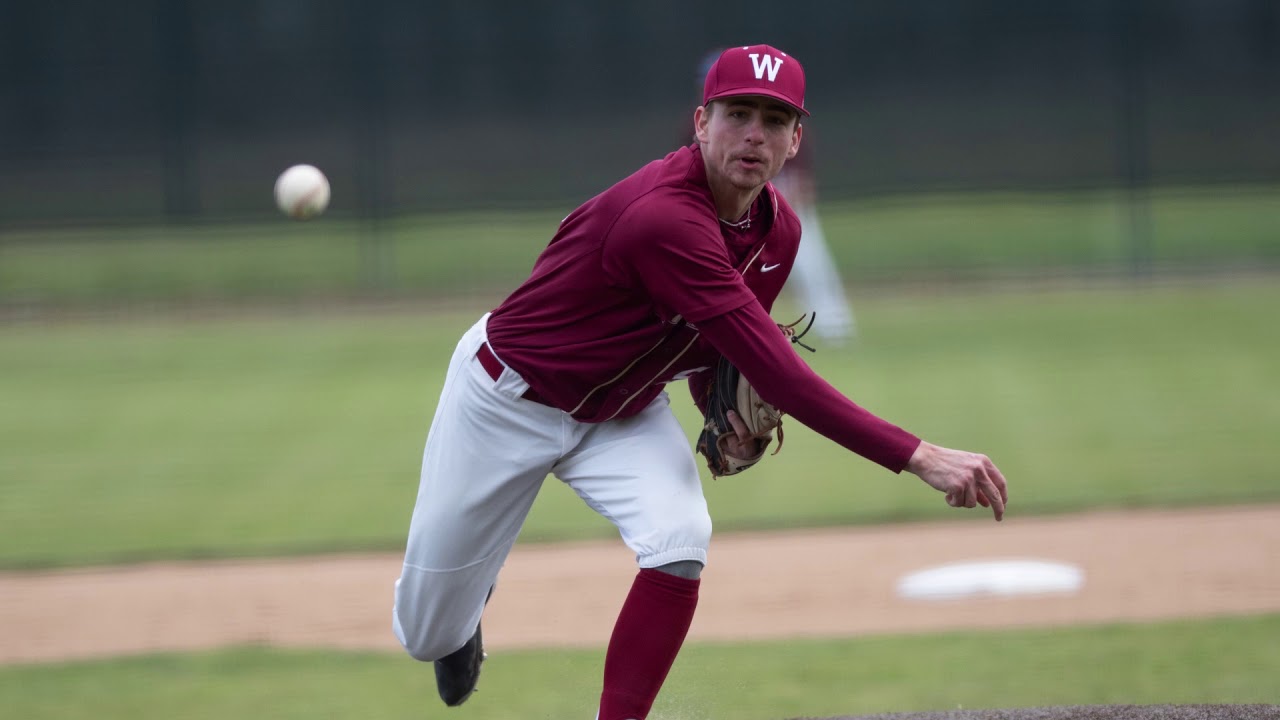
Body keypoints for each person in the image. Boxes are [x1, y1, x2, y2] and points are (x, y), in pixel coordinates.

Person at [392, 44, 1009, 720]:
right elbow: (780, 372)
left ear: (796, 139)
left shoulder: (780, 234)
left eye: (774, 121)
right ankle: (459, 621)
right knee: (425, 635)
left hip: (622, 412)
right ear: (700, 122)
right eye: (737, 113)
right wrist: (920, 456)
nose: (753, 135)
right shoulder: (665, 217)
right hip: (505, 402)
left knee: (680, 540)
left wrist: (720, 411)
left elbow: (716, 351)